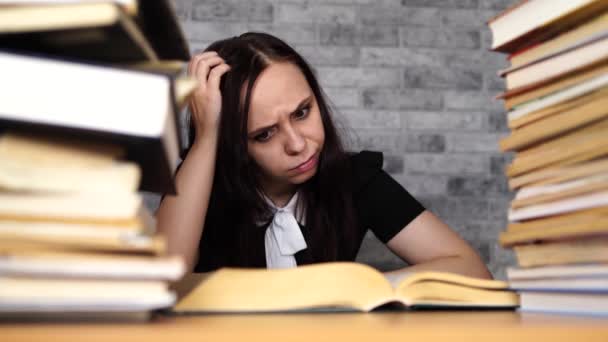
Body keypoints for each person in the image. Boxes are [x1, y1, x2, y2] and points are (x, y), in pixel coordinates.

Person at [156, 32, 492, 280]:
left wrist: (356, 287)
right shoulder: (200, 189)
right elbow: (165, 279)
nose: (298, 144)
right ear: (233, 144)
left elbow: (472, 270)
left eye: (302, 112)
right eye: (264, 134)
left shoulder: (355, 178)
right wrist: (207, 136)